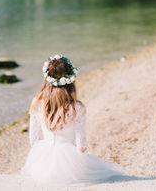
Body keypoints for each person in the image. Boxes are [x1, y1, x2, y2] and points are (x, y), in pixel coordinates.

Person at [21, 54, 126, 185]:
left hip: (43, 160)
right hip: (68, 160)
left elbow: (33, 139)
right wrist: (81, 162)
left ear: (46, 78)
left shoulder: (37, 102)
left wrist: (38, 156)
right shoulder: (77, 107)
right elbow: (81, 146)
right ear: (71, 80)